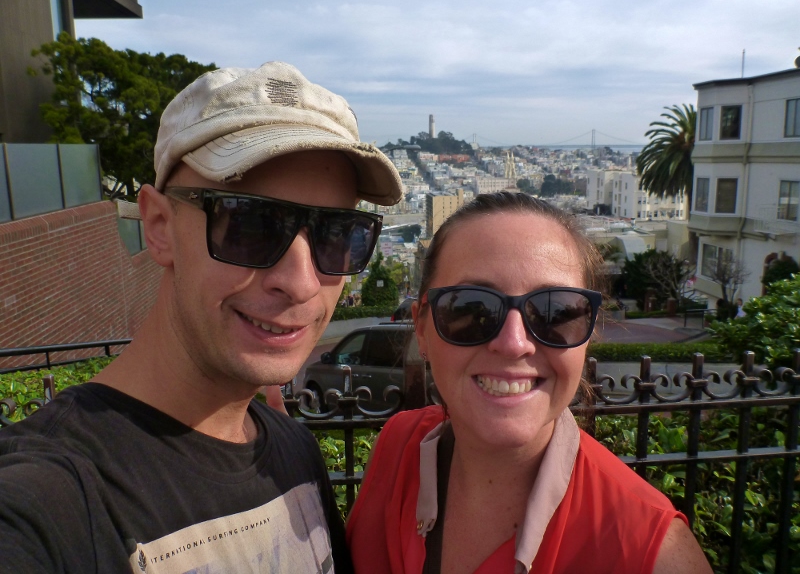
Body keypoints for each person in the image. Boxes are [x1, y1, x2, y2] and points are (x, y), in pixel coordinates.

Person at [0, 62, 402, 573]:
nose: (300, 282)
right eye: (251, 224)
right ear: (159, 225)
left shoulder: (293, 451)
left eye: (339, 234)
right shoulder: (53, 496)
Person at [346, 192, 712, 574]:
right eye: (471, 309)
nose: (513, 343)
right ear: (422, 328)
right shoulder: (399, 448)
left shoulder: (651, 552)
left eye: (556, 312)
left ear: (588, 335)